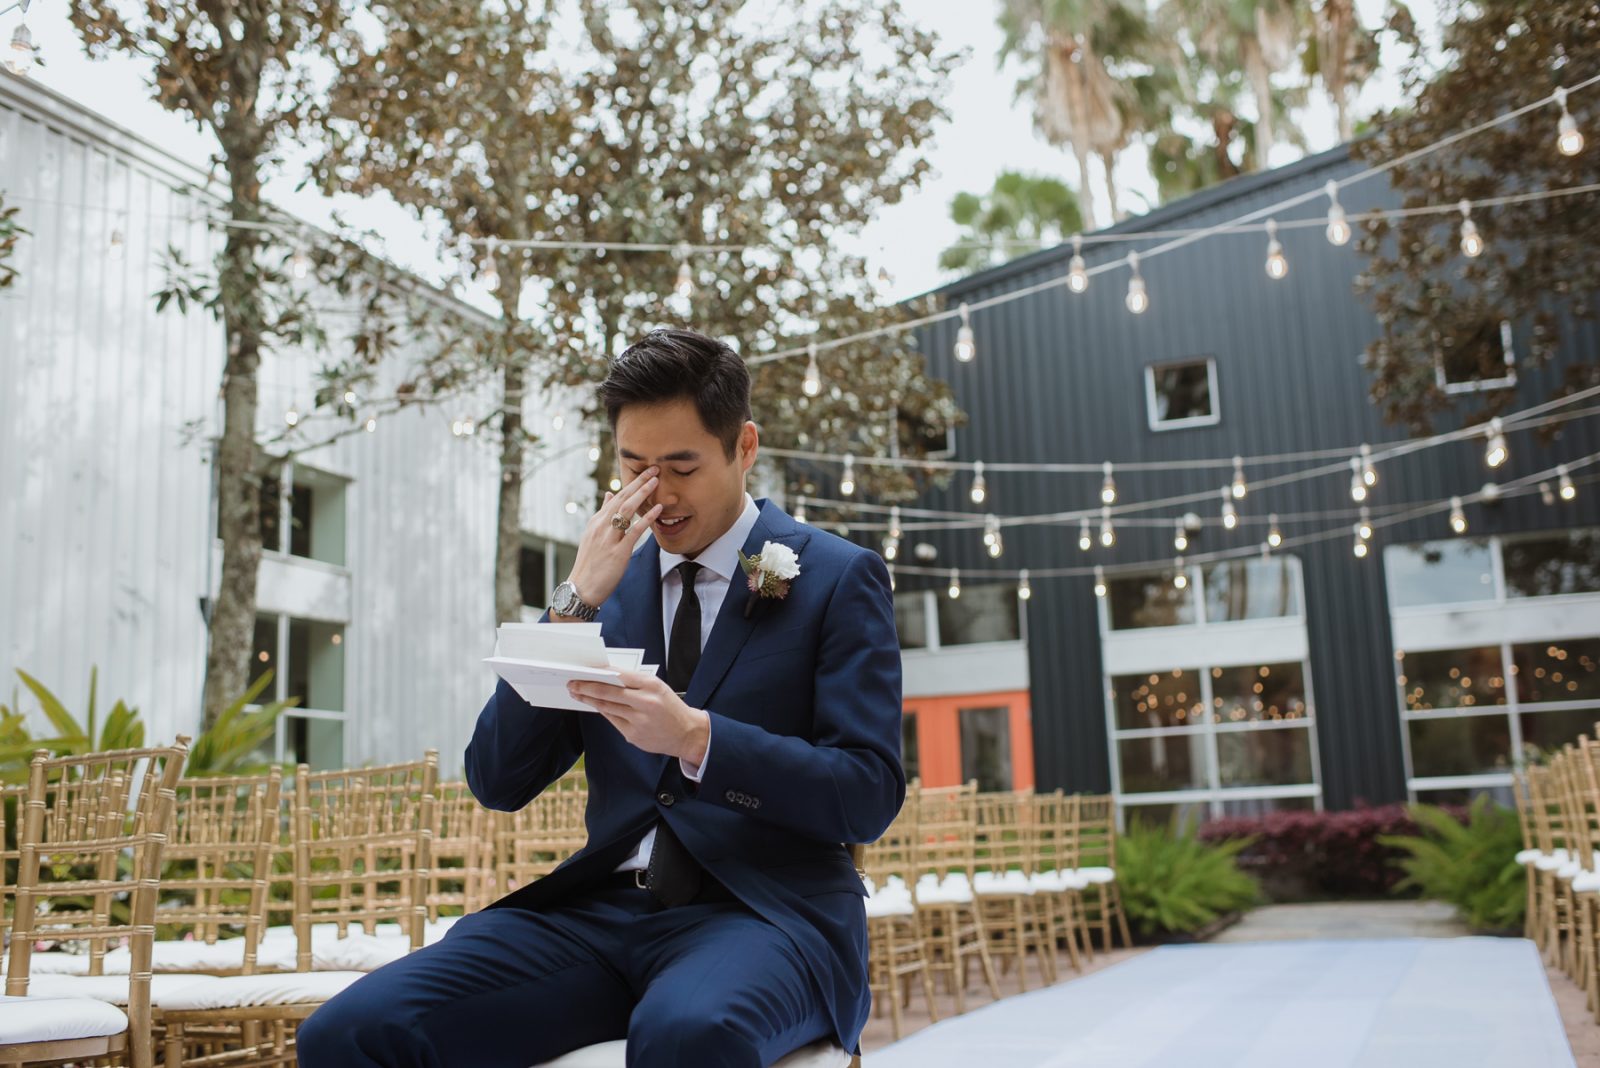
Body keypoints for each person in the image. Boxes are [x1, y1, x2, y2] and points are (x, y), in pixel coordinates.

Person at [298, 327, 905, 1067]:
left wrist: (698, 740)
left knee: (685, 1034)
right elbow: (497, 780)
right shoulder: (599, 595)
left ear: (744, 446)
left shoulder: (838, 577)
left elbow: (868, 792)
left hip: (764, 915)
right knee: (350, 1031)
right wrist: (572, 606)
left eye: (682, 467)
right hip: (597, 917)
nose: (658, 495)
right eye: (635, 467)